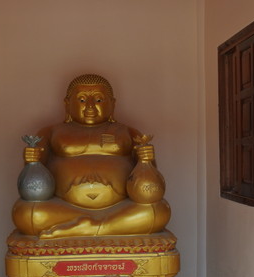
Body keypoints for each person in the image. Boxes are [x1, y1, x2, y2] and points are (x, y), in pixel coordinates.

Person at [12, 74, 171, 238]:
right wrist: (31, 160)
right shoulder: (51, 132)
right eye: (81, 100)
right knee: (27, 213)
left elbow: (150, 185)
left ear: (112, 104)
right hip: (65, 208)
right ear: (67, 104)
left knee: (157, 210)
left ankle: (88, 226)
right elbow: (33, 182)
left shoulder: (128, 132)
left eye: (98, 100)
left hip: (119, 208)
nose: (90, 106)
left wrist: (147, 159)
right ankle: (108, 226)